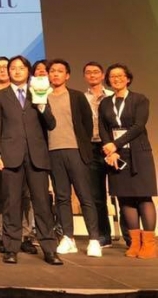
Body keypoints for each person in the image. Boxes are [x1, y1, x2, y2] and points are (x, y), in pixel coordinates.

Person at [0, 55, 62, 265]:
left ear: (28, 71)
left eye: (21, 68)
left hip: (37, 155)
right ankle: (11, 247)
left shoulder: (38, 93)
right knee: (11, 203)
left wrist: (42, 105)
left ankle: (49, 249)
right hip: (10, 156)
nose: (17, 71)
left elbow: (51, 124)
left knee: (42, 204)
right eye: (13, 68)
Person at [100, 63, 157, 259]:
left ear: (128, 79)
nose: (116, 79)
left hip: (139, 153)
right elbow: (103, 128)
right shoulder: (105, 103)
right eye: (112, 76)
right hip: (117, 155)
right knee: (124, 197)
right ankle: (135, 242)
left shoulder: (139, 99)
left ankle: (149, 243)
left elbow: (138, 126)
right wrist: (110, 150)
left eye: (120, 76)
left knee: (143, 197)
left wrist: (115, 144)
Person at [45, 59, 101, 257]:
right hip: (53, 151)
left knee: (85, 196)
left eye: (60, 71)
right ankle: (68, 238)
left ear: (67, 75)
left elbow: (87, 124)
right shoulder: (43, 98)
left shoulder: (77, 96)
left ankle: (94, 239)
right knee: (62, 197)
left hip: (76, 150)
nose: (55, 74)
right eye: (52, 71)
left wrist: (82, 145)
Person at [83, 61, 114, 247]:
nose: (92, 75)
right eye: (88, 72)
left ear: (103, 75)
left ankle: (130, 236)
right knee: (97, 194)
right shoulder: (82, 98)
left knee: (122, 192)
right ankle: (103, 234)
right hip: (92, 147)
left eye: (96, 72)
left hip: (113, 147)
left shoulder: (112, 96)